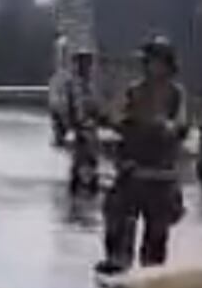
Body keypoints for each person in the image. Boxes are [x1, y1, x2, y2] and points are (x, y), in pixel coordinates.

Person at [96, 37, 188, 274]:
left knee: (157, 234)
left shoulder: (176, 94)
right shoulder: (134, 91)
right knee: (117, 219)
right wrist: (115, 122)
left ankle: (151, 275)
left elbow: (181, 126)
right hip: (133, 168)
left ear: (167, 65)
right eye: (148, 62)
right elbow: (117, 119)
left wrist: (167, 127)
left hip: (161, 174)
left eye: (156, 62)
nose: (151, 67)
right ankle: (118, 264)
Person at [64, 49, 101, 194]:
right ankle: (78, 183)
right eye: (82, 63)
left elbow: (95, 104)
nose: (86, 67)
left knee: (90, 156)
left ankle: (90, 182)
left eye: (87, 63)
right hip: (79, 125)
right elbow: (71, 105)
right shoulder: (73, 84)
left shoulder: (92, 84)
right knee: (80, 156)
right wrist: (74, 123)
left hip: (90, 125)